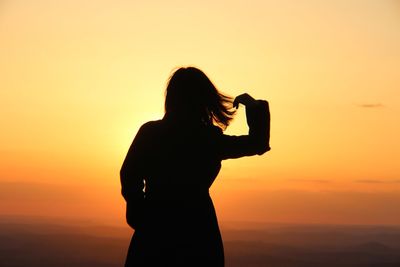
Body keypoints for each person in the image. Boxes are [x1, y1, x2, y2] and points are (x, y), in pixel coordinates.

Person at [120, 67, 270, 267]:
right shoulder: (208, 139)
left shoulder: (151, 133)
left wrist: (140, 213)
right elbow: (257, 144)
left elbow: (129, 175)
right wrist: (254, 106)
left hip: (155, 229)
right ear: (203, 100)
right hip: (198, 230)